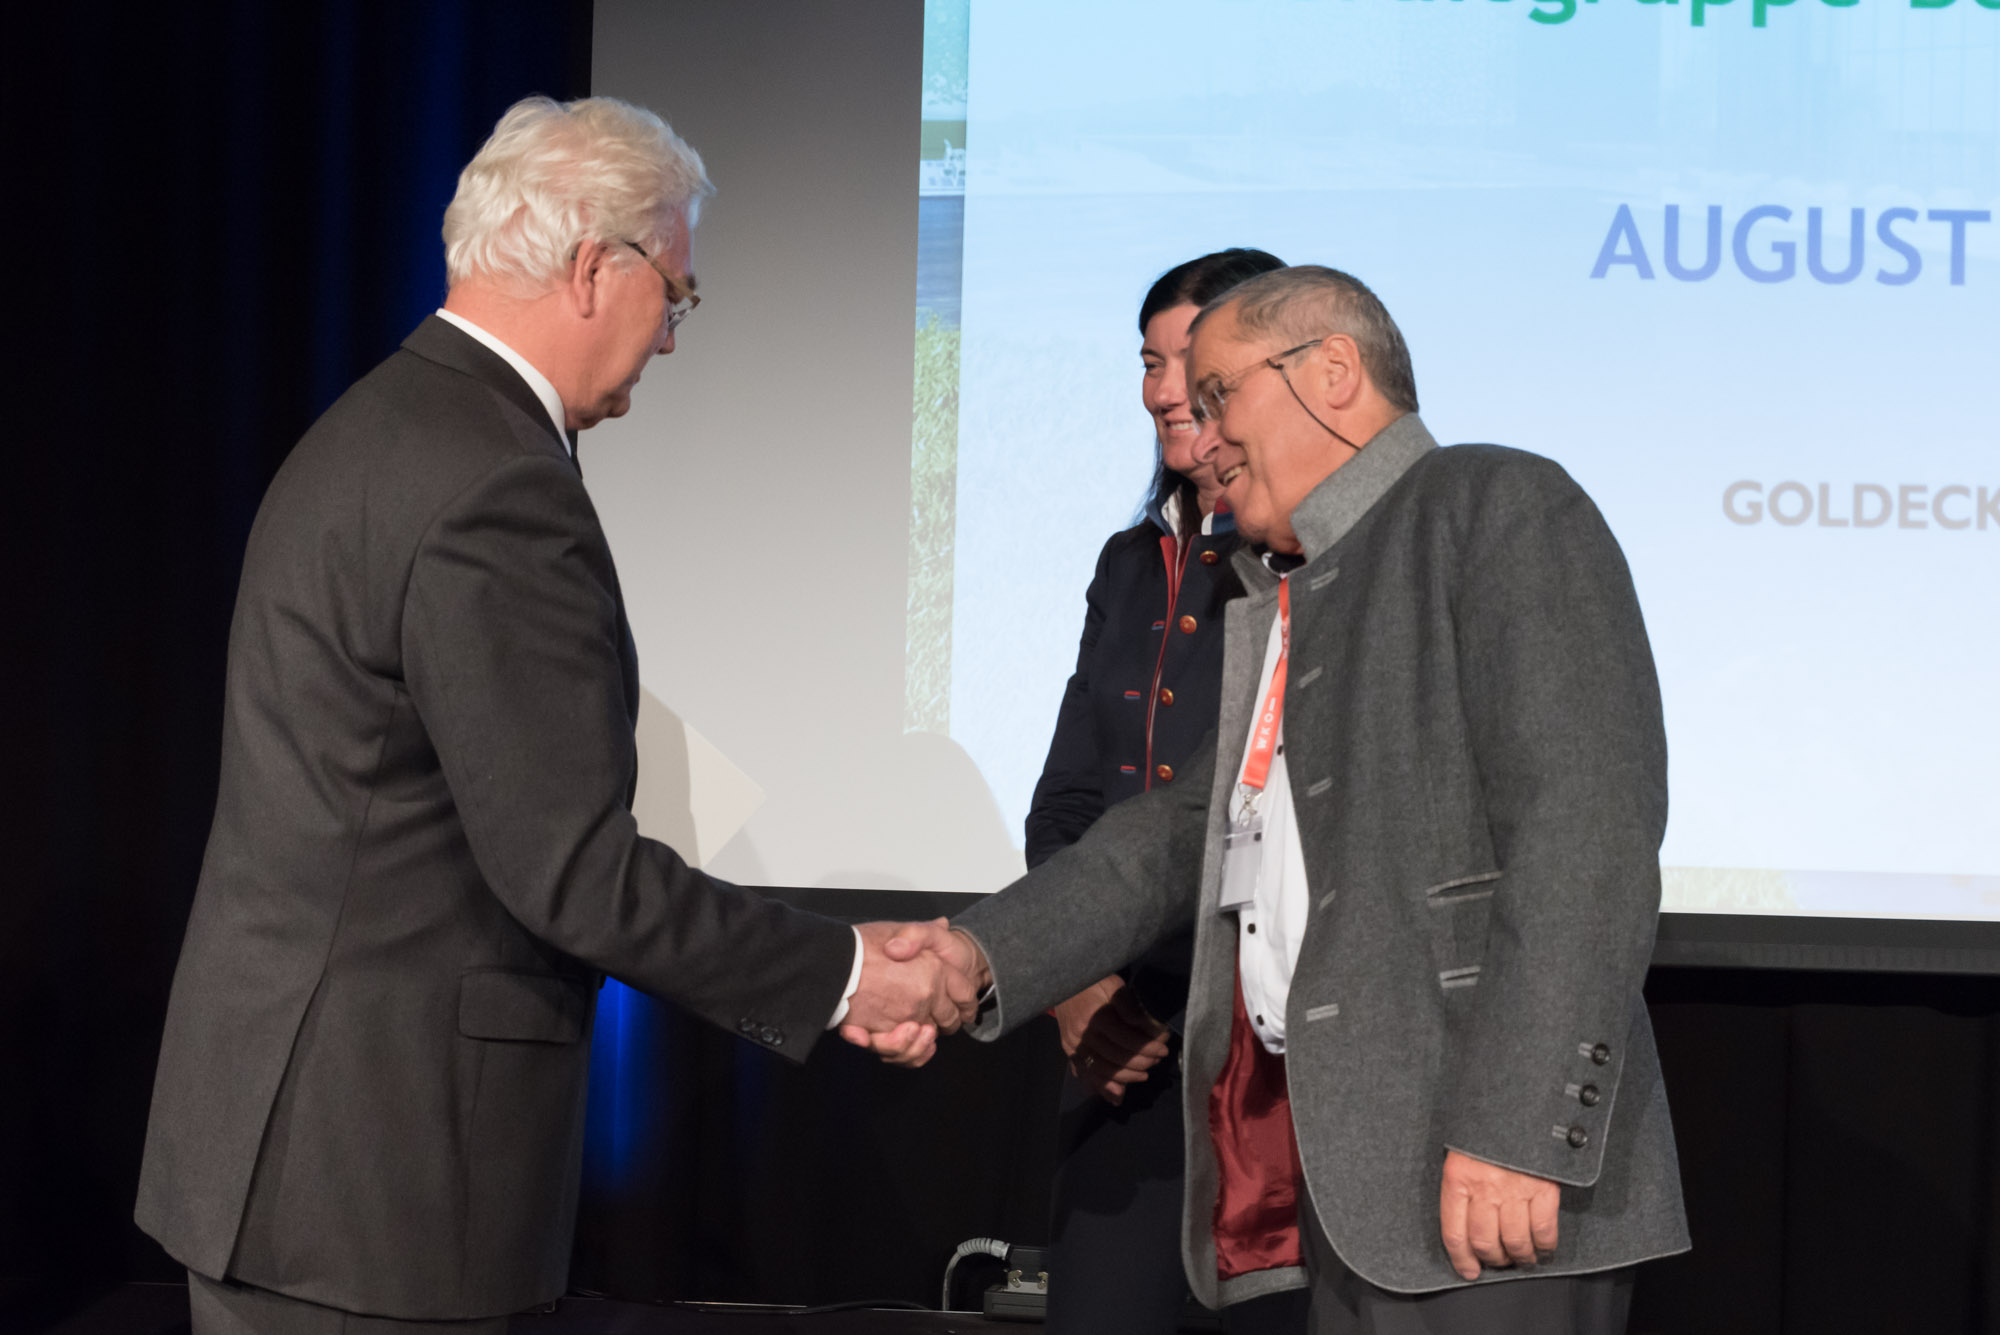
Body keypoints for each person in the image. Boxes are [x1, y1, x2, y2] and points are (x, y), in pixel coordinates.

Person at [136, 95, 968, 1335]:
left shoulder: (378, 424)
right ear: (592, 267)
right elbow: (570, 873)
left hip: (297, 1152)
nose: (671, 338)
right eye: (675, 295)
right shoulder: (492, 483)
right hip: (375, 1185)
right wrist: (844, 974)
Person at [862, 266, 1689, 1333]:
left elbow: (1588, 831)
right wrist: (977, 957)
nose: (1200, 435)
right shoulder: (1291, 586)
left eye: (1218, 396)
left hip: (1490, 1181)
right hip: (1353, 1192)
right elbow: (1170, 840)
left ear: (1332, 371)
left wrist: (1517, 1131)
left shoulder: (1496, 503)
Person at [1023, 249, 1297, 1335]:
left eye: (1189, 360)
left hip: (1271, 1066)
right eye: (1149, 362)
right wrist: (1068, 978)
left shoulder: (1304, 566)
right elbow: (1065, 805)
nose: (1165, 389)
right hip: (1120, 1045)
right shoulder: (1128, 563)